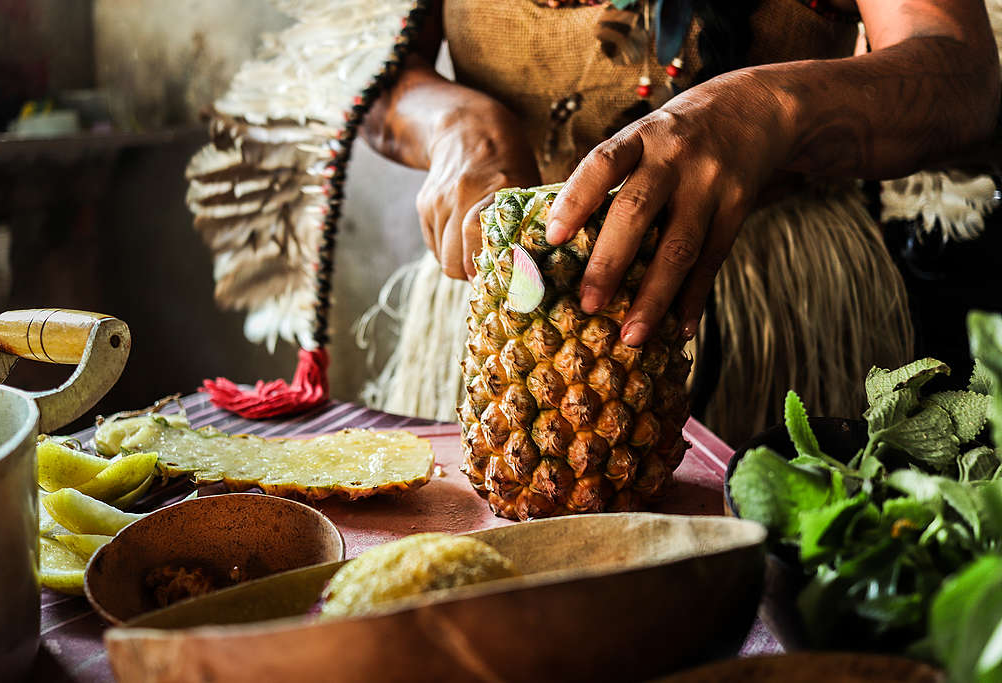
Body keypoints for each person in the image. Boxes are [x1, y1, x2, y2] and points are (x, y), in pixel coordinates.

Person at [358, 0, 1001, 444]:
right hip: (510, 297)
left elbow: (964, 79)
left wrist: (769, 105)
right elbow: (374, 72)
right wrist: (454, 128)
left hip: (782, 304)